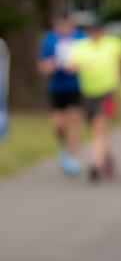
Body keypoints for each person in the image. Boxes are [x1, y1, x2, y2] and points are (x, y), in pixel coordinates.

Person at [67, 17, 121, 181]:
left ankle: (96, 163)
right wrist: (78, 67)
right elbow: (70, 65)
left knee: (99, 126)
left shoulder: (113, 44)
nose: (94, 34)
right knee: (97, 128)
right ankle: (107, 156)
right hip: (87, 92)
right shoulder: (80, 46)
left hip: (107, 92)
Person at [38, 12, 86, 176]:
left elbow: (89, 60)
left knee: (73, 121)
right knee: (57, 124)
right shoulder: (50, 39)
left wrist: (78, 66)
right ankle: (66, 148)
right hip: (57, 86)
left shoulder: (80, 37)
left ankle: (74, 156)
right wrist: (48, 66)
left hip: (76, 85)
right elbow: (42, 63)